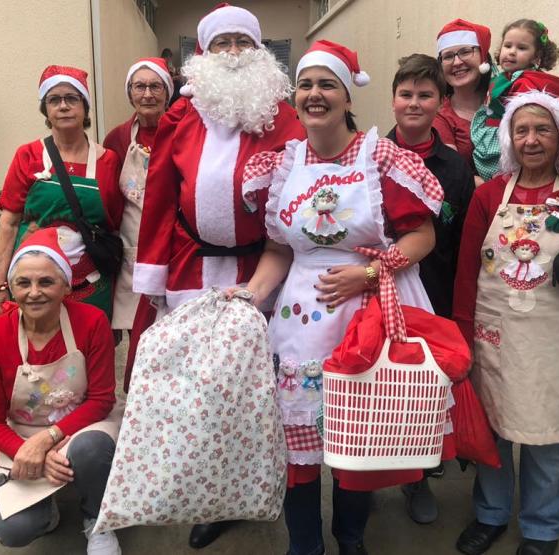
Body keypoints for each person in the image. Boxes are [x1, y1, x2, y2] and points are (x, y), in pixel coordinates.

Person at [240, 39, 444, 555]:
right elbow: (278, 249)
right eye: (305, 85)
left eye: (326, 84)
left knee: (357, 444)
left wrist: (370, 272)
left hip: (366, 318)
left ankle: (350, 538)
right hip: (298, 320)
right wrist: (250, 295)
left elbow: (422, 237)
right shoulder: (284, 164)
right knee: (298, 448)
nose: (314, 95)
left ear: (348, 96)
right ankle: (304, 545)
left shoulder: (380, 157)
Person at [131, 3, 305, 548]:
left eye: (242, 42)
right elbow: (159, 200)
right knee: (200, 390)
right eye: (221, 43)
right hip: (191, 267)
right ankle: (211, 494)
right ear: (202, 54)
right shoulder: (181, 118)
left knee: (262, 387)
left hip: (263, 268)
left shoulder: (284, 117)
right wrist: (153, 278)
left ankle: (263, 482)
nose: (232, 53)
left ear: (259, 51)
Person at [452, 79, 559, 555]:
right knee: (492, 431)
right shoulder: (489, 195)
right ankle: (490, 514)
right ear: (509, 137)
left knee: (545, 439)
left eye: (543, 130)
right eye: (522, 130)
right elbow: (468, 270)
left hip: (553, 338)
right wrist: (462, 337)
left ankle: (543, 527)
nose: (531, 140)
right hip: (494, 335)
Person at [0, 228, 122, 554]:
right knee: (15, 531)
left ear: (67, 285)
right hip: (23, 435)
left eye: (46, 282)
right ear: (11, 288)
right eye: (23, 283)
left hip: (83, 425)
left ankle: (96, 518)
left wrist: (47, 439)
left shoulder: (92, 322)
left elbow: (100, 400)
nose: (34, 293)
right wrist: (29, 452)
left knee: (92, 450)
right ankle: (46, 511)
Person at [385, 52, 475, 524]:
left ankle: (417, 477)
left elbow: (459, 241)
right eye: (406, 94)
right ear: (393, 99)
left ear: (441, 101)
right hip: (379, 288)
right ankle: (368, 474)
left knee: (422, 389)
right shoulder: (368, 156)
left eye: (425, 95)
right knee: (380, 385)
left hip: (434, 291)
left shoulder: (455, 169)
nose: (414, 103)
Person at [0, 65, 123, 319]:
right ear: (46, 110)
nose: (63, 106)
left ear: (84, 108)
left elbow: (112, 226)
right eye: (54, 100)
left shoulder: (108, 161)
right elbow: (8, 224)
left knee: (88, 348)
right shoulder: (27, 155)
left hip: (92, 283)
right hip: (32, 283)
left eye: (72, 98)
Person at [102, 58, 174, 334]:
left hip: (173, 242)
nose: (147, 94)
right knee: (138, 328)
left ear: (167, 92)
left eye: (155, 86)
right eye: (139, 86)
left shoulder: (182, 131)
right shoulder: (117, 138)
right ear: (129, 92)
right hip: (132, 244)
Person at [471, 19, 559, 181]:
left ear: (536, 57)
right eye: (508, 46)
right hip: (493, 134)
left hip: (509, 140)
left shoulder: (527, 83)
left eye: (521, 48)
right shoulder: (504, 77)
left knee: (503, 175)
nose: (512, 52)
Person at [433, 19, 493, 175]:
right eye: (448, 56)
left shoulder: (506, 99)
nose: (457, 62)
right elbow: (451, 174)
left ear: (483, 56)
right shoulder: (439, 116)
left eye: (465, 51)